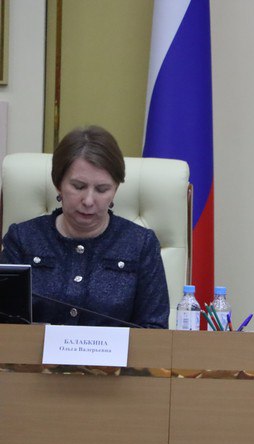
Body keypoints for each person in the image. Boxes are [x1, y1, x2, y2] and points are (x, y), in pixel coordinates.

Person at [0, 125, 169, 328]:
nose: (88, 201)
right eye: (78, 187)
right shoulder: (23, 239)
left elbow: (154, 329)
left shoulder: (141, 244)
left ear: (115, 189)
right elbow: (5, 326)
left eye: (102, 189)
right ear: (58, 184)